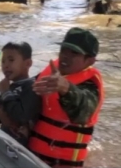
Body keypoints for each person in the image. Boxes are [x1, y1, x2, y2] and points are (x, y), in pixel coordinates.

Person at [29, 27, 104, 168]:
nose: (65, 56)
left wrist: (66, 88)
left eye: (74, 53)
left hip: (64, 164)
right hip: (32, 158)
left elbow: (84, 111)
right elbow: (24, 91)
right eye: (63, 50)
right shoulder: (50, 73)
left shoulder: (90, 87)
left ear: (90, 60)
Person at [0, 42, 41, 147]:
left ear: (27, 64)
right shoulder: (7, 86)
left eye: (11, 60)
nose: (5, 65)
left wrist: (6, 92)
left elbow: (21, 116)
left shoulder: (31, 87)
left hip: (20, 149)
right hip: (4, 140)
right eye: (3, 61)